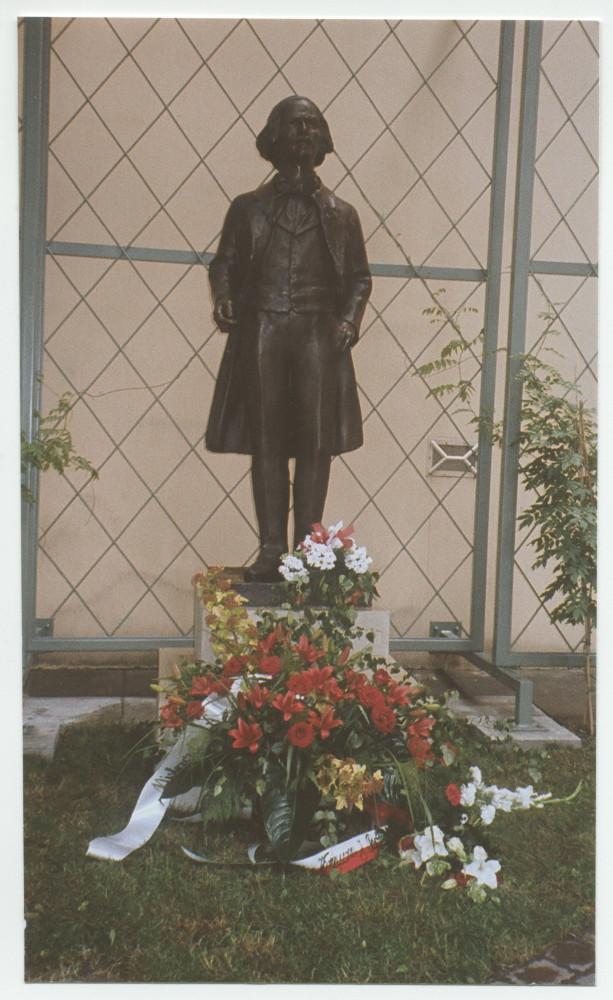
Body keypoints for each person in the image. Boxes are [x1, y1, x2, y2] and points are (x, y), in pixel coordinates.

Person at [205, 96, 372, 581]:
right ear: (274, 138)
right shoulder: (247, 208)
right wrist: (224, 297)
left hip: (319, 332)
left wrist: (348, 322)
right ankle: (272, 548)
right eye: (293, 124)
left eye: (312, 124)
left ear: (323, 140)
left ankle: (307, 550)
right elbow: (226, 263)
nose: (303, 131)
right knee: (268, 441)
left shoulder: (342, 214)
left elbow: (360, 278)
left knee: (316, 445)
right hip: (262, 328)